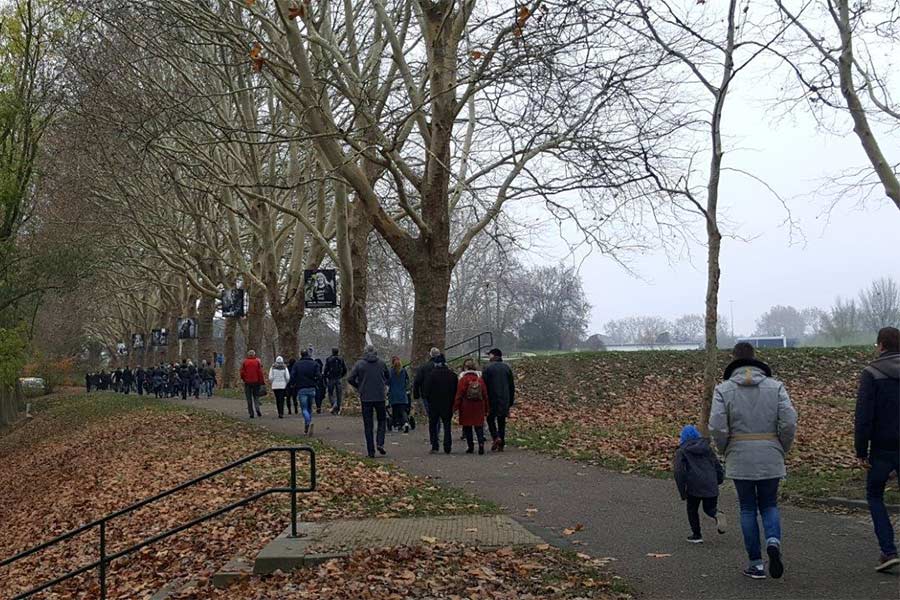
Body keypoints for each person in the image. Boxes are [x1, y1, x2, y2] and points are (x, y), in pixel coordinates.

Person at [709, 342, 797, 580]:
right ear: (755, 358)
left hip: (739, 454)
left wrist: (726, 448)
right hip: (770, 453)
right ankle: (773, 541)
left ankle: (756, 563)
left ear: (733, 359)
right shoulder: (776, 387)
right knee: (769, 504)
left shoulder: (723, 389)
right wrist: (781, 446)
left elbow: (717, 426)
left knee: (747, 508)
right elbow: (789, 422)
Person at [855, 326, 900, 573]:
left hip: (882, 446)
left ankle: (888, 550)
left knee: (875, 496)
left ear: (880, 345)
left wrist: (861, 450)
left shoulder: (871, 373)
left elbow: (864, 416)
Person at [674, 424, 726, 544]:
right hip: (711, 484)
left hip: (693, 486)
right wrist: (719, 479)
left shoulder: (682, 451)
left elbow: (679, 472)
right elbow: (717, 466)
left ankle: (696, 535)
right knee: (709, 508)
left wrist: (683, 491)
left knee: (692, 509)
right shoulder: (707, 449)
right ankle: (717, 514)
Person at [348, 345, 391, 458]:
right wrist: (382, 384)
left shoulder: (360, 364)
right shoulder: (381, 363)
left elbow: (350, 378)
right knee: (382, 420)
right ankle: (380, 442)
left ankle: (370, 451)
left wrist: (359, 387)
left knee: (368, 425)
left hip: (366, 397)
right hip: (380, 396)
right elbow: (388, 376)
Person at [454, 358, 490, 455]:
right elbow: (485, 394)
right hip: (479, 406)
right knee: (479, 427)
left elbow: (459, 394)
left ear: (465, 367)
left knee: (467, 427)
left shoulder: (463, 379)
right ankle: (481, 444)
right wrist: (486, 408)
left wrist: (455, 407)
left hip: (466, 406)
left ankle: (470, 446)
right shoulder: (479, 379)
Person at [423, 355, 458, 454]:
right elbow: (456, 391)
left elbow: (426, 391)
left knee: (433, 425)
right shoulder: (452, 375)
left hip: (434, 404)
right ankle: (447, 446)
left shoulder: (431, 375)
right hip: (447, 403)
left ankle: (435, 446)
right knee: (447, 425)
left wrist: (429, 400)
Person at [483, 348, 515, 452]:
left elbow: (484, 385)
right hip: (505, 398)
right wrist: (511, 400)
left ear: (494, 355)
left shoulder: (487, 368)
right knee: (501, 420)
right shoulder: (507, 368)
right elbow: (511, 386)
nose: (489, 357)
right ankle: (502, 443)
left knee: (490, 419)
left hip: (491, 398)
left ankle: (496, 437)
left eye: (490, 355)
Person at [290, 350, 321, 434]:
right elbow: (319, 375)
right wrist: (315, 381)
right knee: (310, 407)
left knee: (304, 408)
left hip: (301, 388)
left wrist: (293, 384)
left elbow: (292, 376)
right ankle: (307, 425)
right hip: (311, 388)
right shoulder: (314, 364)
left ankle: (308, 422)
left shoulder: (297, 364)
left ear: (301, 355)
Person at [388, 356, 411, 433]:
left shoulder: (390, 371)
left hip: (393, 394)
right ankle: (406, 423)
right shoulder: (404, 371)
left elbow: (387, 381)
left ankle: (395, 426)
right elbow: (407, 380)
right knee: (403, 410)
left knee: (395, 411)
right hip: (402, 393)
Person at [240, 350, 265, 418]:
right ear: (254, 355)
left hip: (247, 382)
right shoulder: (257, 362)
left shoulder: (245, 362)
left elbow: (242, 372)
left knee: (249, 398)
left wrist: (244, 378)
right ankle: (257, 408)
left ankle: (251, 413)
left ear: (248, 355)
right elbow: (260, 372)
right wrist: (261, 381)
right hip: (256, 382)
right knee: (256, 396)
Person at [324, 348, 347, 414]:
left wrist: (326, 377)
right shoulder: (341, 359)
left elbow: (326, 369)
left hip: (331, 378)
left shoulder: (329, 359)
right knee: (339, 394)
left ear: (332, 352)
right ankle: (338, 408)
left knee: (330, 393)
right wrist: (341, 376)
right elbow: (345, 369)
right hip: (338, 378)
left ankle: (334, 404)